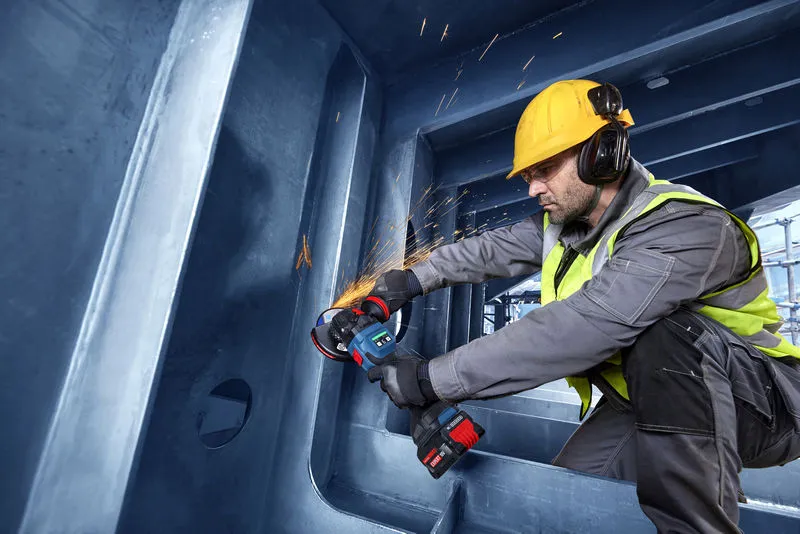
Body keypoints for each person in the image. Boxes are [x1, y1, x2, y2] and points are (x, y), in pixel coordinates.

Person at [364, 79, 800, 533]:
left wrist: (430, 379)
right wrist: (408, 281)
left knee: (665, 334)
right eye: (527, 176)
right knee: (568, 501)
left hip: (767, 406)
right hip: (645, 399)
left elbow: (578, 329)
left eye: (545, 169)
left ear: (601, 155)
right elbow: (489, 251)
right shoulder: (569, 221)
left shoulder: (685, 227)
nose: (533, 188)